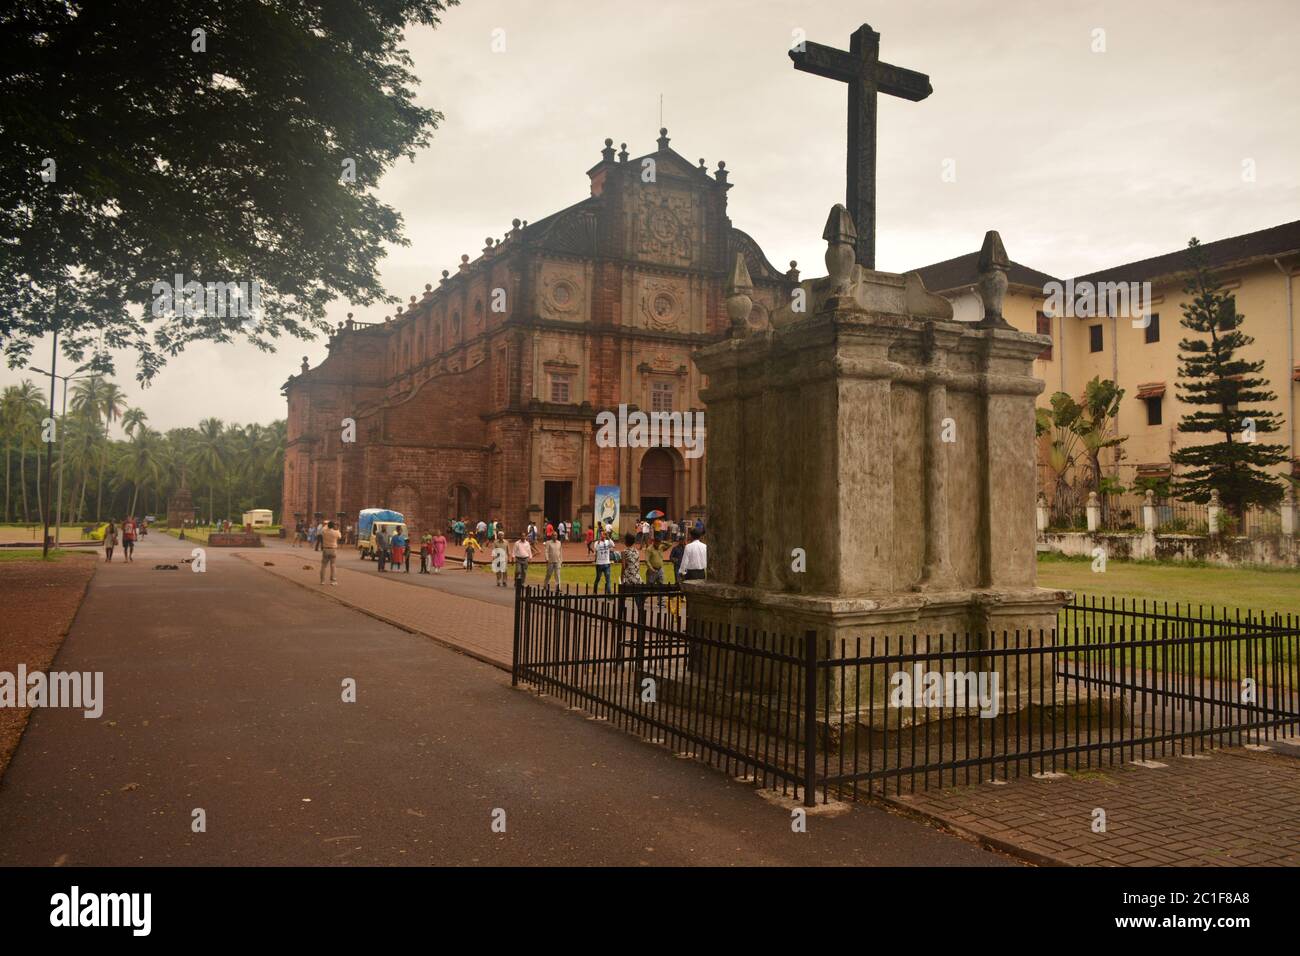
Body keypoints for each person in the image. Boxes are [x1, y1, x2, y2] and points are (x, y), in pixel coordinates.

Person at [319, 520, 341, 585]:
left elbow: (324, 528)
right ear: (333, 526)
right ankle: (333, 581)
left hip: (326, 549)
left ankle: (322, 581)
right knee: (333, 565)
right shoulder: (335, 532)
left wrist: (326, 524)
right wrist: (337, 528)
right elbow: (340, 536)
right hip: (333, 550)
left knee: (323, 566)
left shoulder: (324, 531)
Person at [593, 529, 613, 594]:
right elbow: (596, 549)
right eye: (601, 535)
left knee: (608, 579)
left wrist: (608, 537)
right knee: (598, 578)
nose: (603, 536)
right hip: (599, 564)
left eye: (604, 534)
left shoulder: (607, 542)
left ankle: (609, 593)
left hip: (607, 563)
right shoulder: (596, 542)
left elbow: (613, 545)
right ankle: (595, 591)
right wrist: (599, 540)